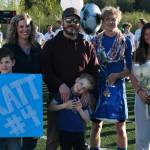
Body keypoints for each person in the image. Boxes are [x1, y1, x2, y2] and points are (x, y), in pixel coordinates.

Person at [41, 7, 99, 150]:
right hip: (58, 97)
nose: (72, 23)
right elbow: (45, 70)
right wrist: (60, 84)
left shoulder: (87, 45)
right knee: (53, 140)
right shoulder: (51, 44)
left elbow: (95, 70)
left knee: (77, 140)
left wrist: (87, 91)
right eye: (69, 20)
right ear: (62, 22)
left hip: (79, 100)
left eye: (76, 20)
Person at [90, 6, 132, 150]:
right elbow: (90, 65)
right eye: (107, 19)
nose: (110, 22)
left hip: (118, 88)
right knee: (96, 126)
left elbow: (129, 69)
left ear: (118, 20)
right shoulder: (95, 41)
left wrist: (117, 75)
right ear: (102, 22)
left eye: (113, 19)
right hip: (99, 87)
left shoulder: (125, 41)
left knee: (120, 127)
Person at [3, 13, 41, 150]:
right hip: (13, 101)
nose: (25, 29)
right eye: (21, 26)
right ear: (15, 28)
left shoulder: (37, 47)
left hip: (32, 100)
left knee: (30, 143)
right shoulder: (8, 48)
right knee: (14, 144)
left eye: (28, 26)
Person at [49, 73, 95, 150]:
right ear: (77, 80)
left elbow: (87, 119)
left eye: (84, 88)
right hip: (64, 132)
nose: (81, 88)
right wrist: (64, 105)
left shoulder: (84, 99)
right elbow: (50, 107)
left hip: (79, 133)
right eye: (81, 84)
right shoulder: (63, 93)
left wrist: (80, 110)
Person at [129, 23, 150, 150]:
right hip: (141, 97)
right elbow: (132, 75)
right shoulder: (137, 53)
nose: (148, 37)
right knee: (142, 136)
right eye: (146, 34)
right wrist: (139, 91)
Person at [0, 47, 18, 150]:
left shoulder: (22, 82)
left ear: (13, 62)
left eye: (7, 62)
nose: (4, 65)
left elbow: (30, 103)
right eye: (1, 63)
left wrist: (33, 128)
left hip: (14, 126)